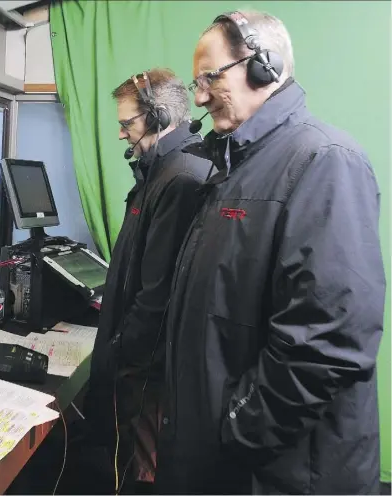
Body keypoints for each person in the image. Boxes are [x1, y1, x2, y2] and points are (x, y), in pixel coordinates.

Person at [156, 10, 385, 495]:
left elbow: (327, 343)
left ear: (265, 65)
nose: (198, 97)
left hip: (274, 474)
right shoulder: (233, 167)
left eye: (208, 79)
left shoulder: (325, 163)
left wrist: (237, 430)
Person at [78, 68, 210, 494]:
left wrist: (121, 353)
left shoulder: (181, 179)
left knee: (138, 478)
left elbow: (157, 296)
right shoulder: (161, 172)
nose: (121, 135)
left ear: (157, 118)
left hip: (147, 375)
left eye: (126, 123)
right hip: (137, 367)